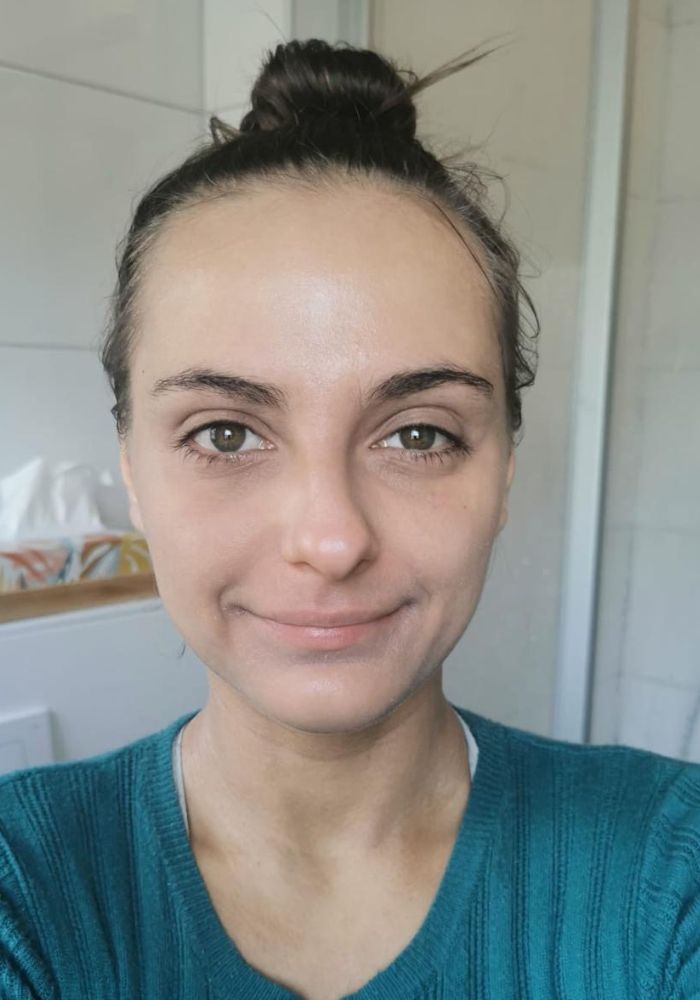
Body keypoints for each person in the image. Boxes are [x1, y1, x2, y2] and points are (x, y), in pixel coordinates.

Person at [1, 37, 698, 1000]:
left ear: (504, 469)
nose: (330, 542)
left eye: (417, 435)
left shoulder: (670, 868)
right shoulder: (23, 888)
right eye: (226, 434)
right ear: (132, 468)